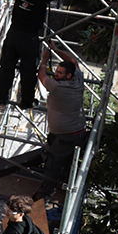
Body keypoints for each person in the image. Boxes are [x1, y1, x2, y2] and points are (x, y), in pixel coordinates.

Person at [0, 0, 70, 109]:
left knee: (6, 66)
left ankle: (1, 96)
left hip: (13, 34)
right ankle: (26, 101)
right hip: (29, 39)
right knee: (28, 71)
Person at [35, 40, 87, 200]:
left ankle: (43, 198)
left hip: (63, 136)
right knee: (69, 165)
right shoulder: (78, 80)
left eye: (60, 73)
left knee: (52, 166)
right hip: (79, 133)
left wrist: (44, 59)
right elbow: (73, 61)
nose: (56, 74)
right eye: (56, 71)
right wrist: (55, 49)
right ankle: (63, 186)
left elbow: (41, 75)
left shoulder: (57, 87)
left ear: (68, 75)